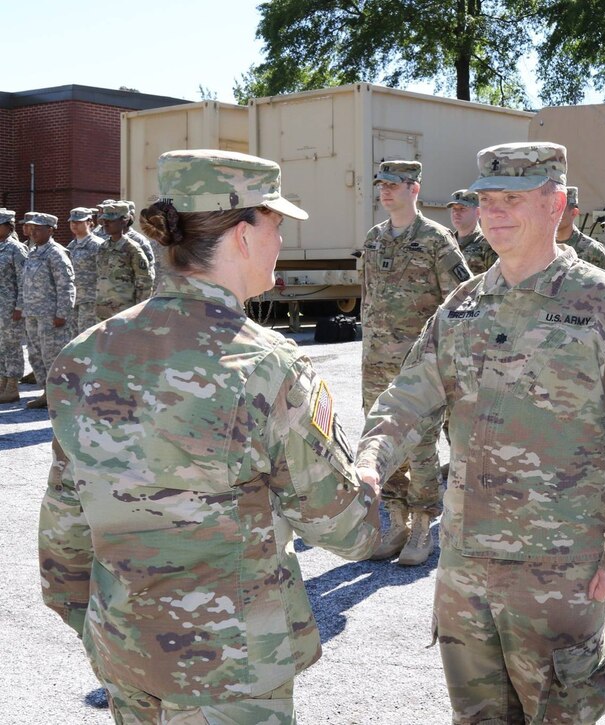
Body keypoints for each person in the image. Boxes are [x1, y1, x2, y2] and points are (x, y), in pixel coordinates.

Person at [39, 149, 381, 723]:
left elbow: (63, 540)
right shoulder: (270, 367)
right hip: (233, 674)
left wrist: (109, 631)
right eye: (275, 224)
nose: (280, 242)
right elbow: (347, 529)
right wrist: (366, 483)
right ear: (243, 234)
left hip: (125, 655)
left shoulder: (83, 357)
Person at [358, 142, 605, 723]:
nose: (494, 213)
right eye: (486, 199)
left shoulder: (604, 304)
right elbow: (408, 395)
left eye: (512, 199)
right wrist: (372, 457)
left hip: (557, 568)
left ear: (555, 203)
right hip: (465, 566)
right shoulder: (463, 304)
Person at [360, 160, 471, 566]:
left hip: (418, 365)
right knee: (382, 440)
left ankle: (424, 525)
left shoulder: (437, 240)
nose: (385, 191)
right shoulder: (374, 239)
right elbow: (368, 297)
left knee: (420, 444)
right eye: (381, 185)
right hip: (375, 361)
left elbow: (461, 301)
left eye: (394, 185)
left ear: (414, 189)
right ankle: (396, 520)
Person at [14, 212, 74, 410]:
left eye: (38, 228)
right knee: (35, 355)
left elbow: (66, 285)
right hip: (32, 314)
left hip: (50, 316)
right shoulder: (33, 252)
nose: (33, 232)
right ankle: (47, 393)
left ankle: (60, 395)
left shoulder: (56, 253)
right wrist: (21, 308)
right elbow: (24, 284)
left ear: (50, 229)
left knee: (52, 356)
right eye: (31, 228)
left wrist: (62, 314)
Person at [95, 201, 153, 321]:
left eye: (110, 220)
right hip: (102, 310)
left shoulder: (132, 249)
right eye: (104, 220)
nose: (105, 224)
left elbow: (144, 283)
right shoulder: (103, 247)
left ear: (124, 220)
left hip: (124, 312)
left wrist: (139, 312)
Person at [0, 208, 28, 403]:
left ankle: (12, 386)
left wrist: (20, 307)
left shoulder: (16, 249)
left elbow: (24, 281)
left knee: (12, 346)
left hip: (10, 308)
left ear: (9, 227)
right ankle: (2, 382)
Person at [556, 186, 605, 274]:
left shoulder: (593, 251)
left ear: (574, 213)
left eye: (560, 210)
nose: (554, 214)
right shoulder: (540, 248)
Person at [66, 207, 103, 334]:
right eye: (72, 222)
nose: (74, 225)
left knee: (86, 336)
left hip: (91, 299)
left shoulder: (98, 245)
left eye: (78, 222)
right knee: (73, 337)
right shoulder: (71, 246)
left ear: (89, 222)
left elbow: (104, 273)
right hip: (74, 299)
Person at [446, 188, 496, 274]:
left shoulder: (488, 245)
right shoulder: (447, 243)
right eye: (454, 209)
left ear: (478, 212)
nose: (456, 213)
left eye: (462, 209)